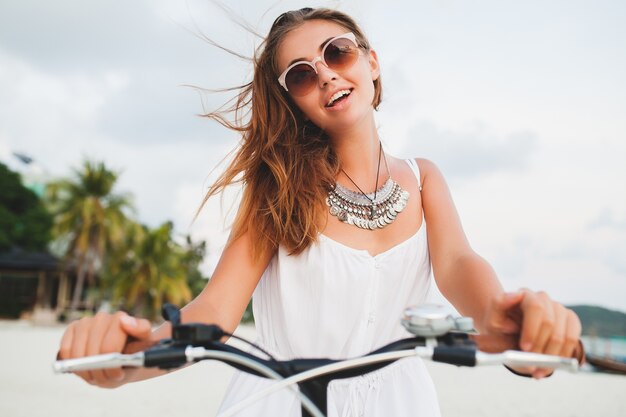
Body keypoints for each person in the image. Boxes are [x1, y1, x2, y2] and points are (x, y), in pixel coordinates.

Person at [57, 7, 583, 417]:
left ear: (371, 63)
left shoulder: (425, 178)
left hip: (400, 404)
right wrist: (127, 355)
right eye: (302, 75)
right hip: (284, 398)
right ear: (294, 102)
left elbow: (460, 268)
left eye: (338, 52)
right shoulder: (278, 188)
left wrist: (512, 322)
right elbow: (213, 314)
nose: (326, 74)